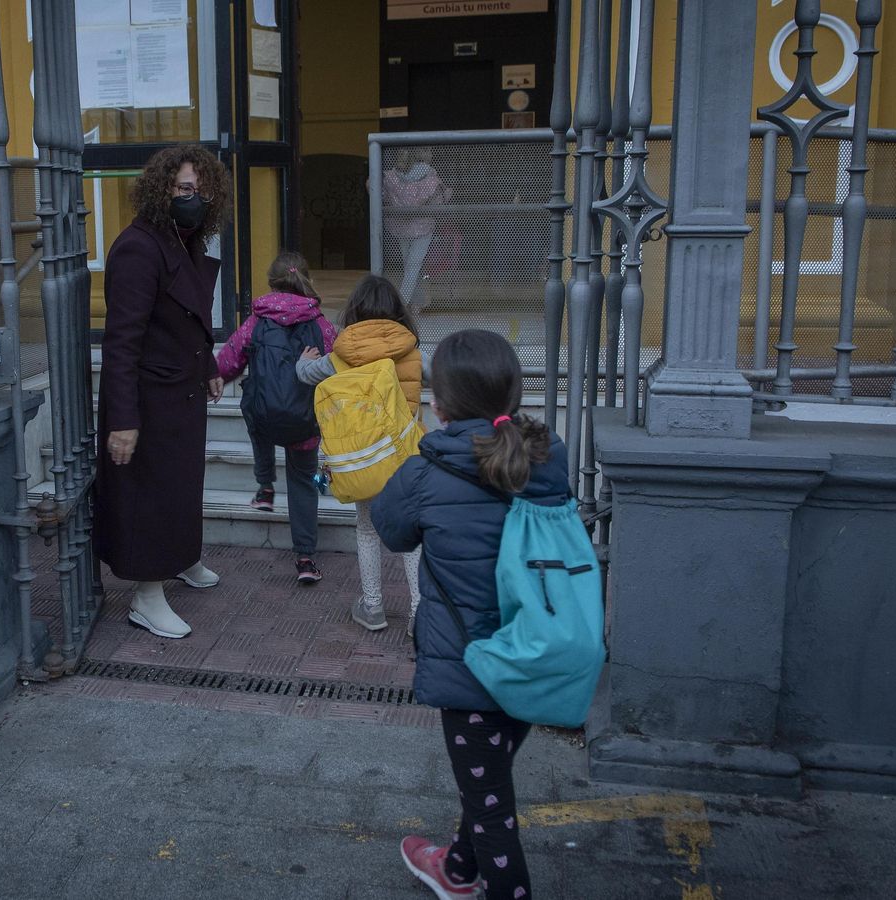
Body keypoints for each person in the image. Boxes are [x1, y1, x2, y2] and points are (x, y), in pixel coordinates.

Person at [372, 329, 569, 900]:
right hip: (535, 650)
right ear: (514, 395)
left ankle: (491, 884)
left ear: (438, 405)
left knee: (493, 813)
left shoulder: (425, 470)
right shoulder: (547, 458)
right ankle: (456, 870)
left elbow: (392, 532)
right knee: (487, 783)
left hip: (471, 669)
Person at [95, 145, 232, 640]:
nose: (195, 199)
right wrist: (124, 420)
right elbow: (122, 342)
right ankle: (146, 596)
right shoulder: (138, 247)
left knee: (181, 485)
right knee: (150, 495)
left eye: (201, 190)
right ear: (162, 192)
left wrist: (212, 362)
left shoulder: (185, 239)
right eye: (184, 190)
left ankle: (181, 559)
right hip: (148, 398)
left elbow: (189, 318)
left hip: (182, 390)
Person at [296, 275, 424, 633]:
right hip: (405, 458)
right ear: (397, 311)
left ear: (355, 311)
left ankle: (373, 608)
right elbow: (448, 374)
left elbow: (307, 375)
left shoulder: (341, 355)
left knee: (368, 530)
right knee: (411, 534)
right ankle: (418, 614)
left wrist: (301, 361)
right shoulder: (413, 351)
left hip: (364, 459)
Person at [215, 251, 338, 586]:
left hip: (265, 417)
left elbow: (228, 362)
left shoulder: (256, 321)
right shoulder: (320, 324)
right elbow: (340, 361)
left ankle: (265, 486)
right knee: (304, 482)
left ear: (271, 282)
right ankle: (305, 558)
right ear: (305, 279)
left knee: (252, 409)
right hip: (305, 422)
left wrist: (211, 379)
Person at [382, 147, 451, 314]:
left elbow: (384, 196)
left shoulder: (392, 178)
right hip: (415, 226)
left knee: (412, 265)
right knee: (412, 265)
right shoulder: (427, 176)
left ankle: (403, 303)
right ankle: (415, 303)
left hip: (410, 226)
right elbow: (440, 199)